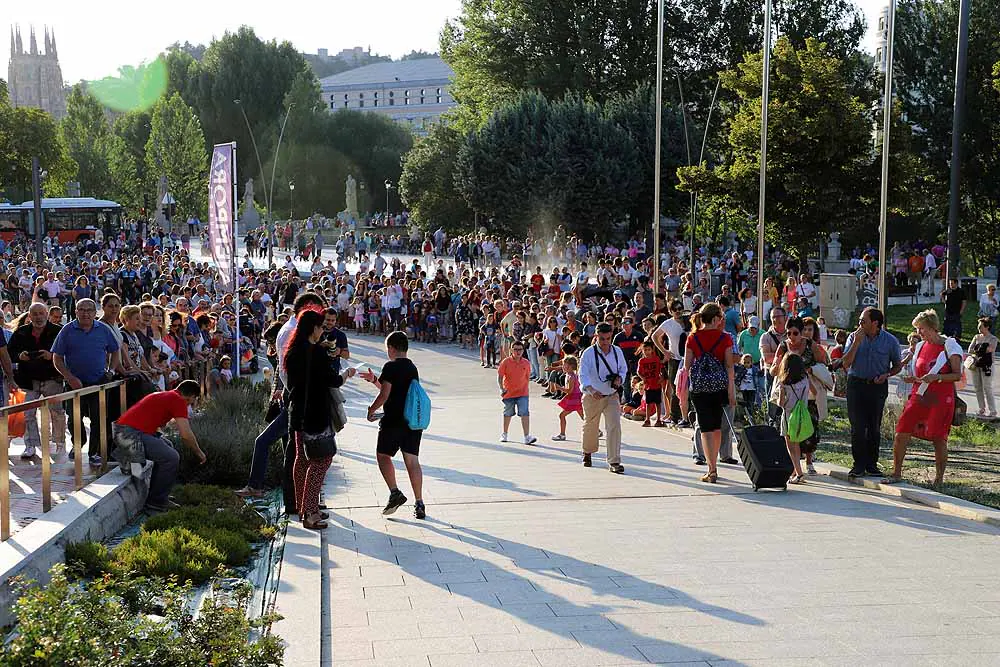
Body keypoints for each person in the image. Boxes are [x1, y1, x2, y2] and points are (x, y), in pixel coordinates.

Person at [284, 309, 356, 530]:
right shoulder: (315, 353)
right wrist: (347, 374)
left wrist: (320, 348)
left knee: (302, 461)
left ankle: (303, 507)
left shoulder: (294, 350)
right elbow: (333, 380)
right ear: (312, 328)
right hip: (314, 413)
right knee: (322, 460)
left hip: (297, 412)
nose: (322, 331)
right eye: (320, 327)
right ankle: (310, 512)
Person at [884, 309, 964, 487]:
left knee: (938, 437)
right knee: (901, 431)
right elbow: (920, 372)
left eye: (921, 328)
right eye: (917, 329)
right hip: (919, 395)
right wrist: (912, 378)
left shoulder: (950, 345)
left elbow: (957, 375)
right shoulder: (920, 346)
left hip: (941, 398)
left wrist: (938, 377)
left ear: (932, 327)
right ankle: (896, 473)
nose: (918, 333)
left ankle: (939, 479)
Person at [111, 380, 206, 512]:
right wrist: (199, 452)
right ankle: (156, 501)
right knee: (171, 457)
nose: (192, 403)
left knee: (168, 445)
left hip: (122, 431)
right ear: (191, 397)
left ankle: (160, 495)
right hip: (129, 435)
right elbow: (186, 434)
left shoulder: (167, 395)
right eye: (194, 400)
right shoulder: (178, 400)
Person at [51, 297, 125, 465]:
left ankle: (94, 452)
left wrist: (111, 371)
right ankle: (77, 445)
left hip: (98, 382)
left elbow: (115, 351)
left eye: (89, 310)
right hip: (74, 384)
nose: (85, 313)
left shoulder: (103, 329)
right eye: (81, 310)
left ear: (94, 312)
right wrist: (69, 377)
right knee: (73, 418)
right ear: (75, 311)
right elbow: (57, 357)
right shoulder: (67, 330)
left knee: (99, 418)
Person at [362, 331, 426, 519]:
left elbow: (385, 395)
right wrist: (375, 380)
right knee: (412, 461)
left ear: (391, 348)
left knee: (382, 456)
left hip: (393, 421)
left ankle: (395, 492)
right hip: (412, 421)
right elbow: (393, 389)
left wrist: (371, 409)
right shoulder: (412, 367)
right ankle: (419, 502)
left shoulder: (390, 366)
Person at [840, 307, 903, 477]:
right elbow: (845, 363)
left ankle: (871, 464)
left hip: (877, 386)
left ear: (875, 323)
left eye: (863, 321)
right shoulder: (854, 337)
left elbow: (898, 365)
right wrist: (856, 343)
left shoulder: (890, 341)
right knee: (858, 427)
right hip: (856, 385)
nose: (860, 324)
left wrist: (887, 374)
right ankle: (858, 464)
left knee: (874, 426)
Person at [685, 303, 736, 483]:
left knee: (705, 429)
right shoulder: (725, 338)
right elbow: (729, 366)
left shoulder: (692, 338)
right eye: (721, 318)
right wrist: (731, 391)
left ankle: (711, 468)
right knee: (716, 427)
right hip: (719, 387)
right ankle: (714, 464)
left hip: (699, 389)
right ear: (715, 319)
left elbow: (686, 366)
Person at [9, 303, 64, 460]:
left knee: (57, 412)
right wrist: (20, 356)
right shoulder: (21, 332)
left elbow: (67, 352)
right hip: (28, 379)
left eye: (41, 313)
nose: (38, 317)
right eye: (35, 314)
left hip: (52, 378)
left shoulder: (57, 331)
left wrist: (51, 355)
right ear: (30, 316)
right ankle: (30, 445)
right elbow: (10, 352)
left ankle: (59, 443)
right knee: (28, 414)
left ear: (46, 314)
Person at [578, 322, 627, 473]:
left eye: (608, 339)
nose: (605, 342)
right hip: (593, 395)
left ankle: (614, 461)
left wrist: (620, 379)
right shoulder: (588, 353)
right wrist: (591, 389)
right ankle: (587, 452)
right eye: (602, 339)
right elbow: (582, 374)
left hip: (611, 394)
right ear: (596, 336)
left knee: (614, 427)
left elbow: (623, 369)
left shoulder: (617, 351)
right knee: (591, 426)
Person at [776, 354, 810, 484]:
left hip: (789, 415)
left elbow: (780, 403)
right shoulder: (805, 379)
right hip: (802, 415)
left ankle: (799, 474)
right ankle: (795, 470)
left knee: (791, 445)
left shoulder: (784, 383)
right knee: (797, 444)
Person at [497, 340, 537, 445]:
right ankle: (504, 434)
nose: (518, 352)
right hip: (509, 393)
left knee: (525, 413)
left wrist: (524, 388)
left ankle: (527, 436)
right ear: (511, 350)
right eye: (515, 349)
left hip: (522, 393)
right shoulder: (505, 362)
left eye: (520, 349)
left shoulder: (526, 363)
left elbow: (527, 377)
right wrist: (502, 388)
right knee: (508, 414)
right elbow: (500, 376)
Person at [758, 307, 787, 426]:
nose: (775, 319)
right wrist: (787, 355)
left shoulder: (792, 333)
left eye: (778, 316)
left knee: (786, 407)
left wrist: (776, 356)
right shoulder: (765, 336)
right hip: (772, 374)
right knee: (772, 406)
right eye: (773, 317)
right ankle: (772, 429)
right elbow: (766, 358)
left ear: (785, 317)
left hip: (788, 374)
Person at [967, 317, 997, 418]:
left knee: (987, 387)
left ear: (987, 327)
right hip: (976, 364)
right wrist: (981, 348)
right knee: (977, 387)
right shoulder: (976, 337)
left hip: (987, 365)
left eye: (981, 326)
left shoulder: (993, 338)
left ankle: (992, 411)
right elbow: (970, 350)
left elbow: (990, 349)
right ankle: (981, 409)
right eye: (978, 326)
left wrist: (979, 348)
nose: (979, 328)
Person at [552, 355, 583, 440]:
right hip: (577, 398)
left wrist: (559, 388)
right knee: (584, 417)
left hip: (574, 398)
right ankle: (597, 431)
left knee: (562, 415)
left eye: (564, 364)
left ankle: (562, 434)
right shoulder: (570, 375)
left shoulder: (571, 377)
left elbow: (569, 391)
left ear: (570, 366)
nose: (562, 366)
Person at [636, 340, 666, 427]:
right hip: (648, 385)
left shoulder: (656, 359)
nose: (647, 352)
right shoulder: (642, 361)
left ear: (652, 350)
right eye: (645, 350)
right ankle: (647, 419)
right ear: (642, 351)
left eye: (648, 350)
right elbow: (638, 372)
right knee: (648, 403)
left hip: (656, 384)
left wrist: (662, 377)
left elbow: (662, 369)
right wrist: (643, 378)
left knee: (658, 403)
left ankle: (658, 419)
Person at [941, 277, 966, 342]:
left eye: (952, 283)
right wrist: (944, 301)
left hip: (957, 311)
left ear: (956, 283)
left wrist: (961, 311)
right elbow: (942, 294)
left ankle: (957, 337)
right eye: (950, 284)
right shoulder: (948, 291)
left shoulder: (961, 291)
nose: (951, 285)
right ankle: (947, 336)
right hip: (948, 311)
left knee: (957, 325)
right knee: (947, 324)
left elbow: (964, 302)